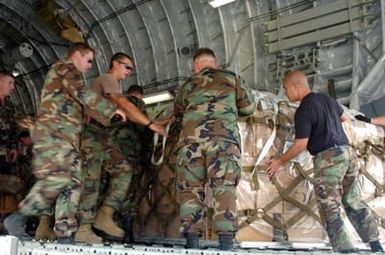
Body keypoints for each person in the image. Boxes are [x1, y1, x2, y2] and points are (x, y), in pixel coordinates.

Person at [4, 42, 126, 244]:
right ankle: (18, 218)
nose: (89, 66)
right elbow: (82, 92)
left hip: (67, 140)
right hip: (55, 136)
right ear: (77, 55)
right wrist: (111, 110)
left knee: (73, 184)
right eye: (88, 61)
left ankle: (65, 234)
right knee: (58, 178)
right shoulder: (65, 67)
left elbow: (72, 102)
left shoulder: (64, 78)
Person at [267, 70, 383, 253]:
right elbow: (346, 120)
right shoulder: (327, 100)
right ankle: (375, 244)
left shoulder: (303, 110)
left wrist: (279, 161)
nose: (285, 92)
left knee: (329, 205)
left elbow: (300, 145)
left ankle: (345, 250)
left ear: (296, 87)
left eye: (285, 88)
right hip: (347, 153)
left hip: (328, 158)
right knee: (354, 201)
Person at [75, 53, 166, 244]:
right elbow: (123, 103)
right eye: (127, 67)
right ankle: (83, 228)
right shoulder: (107, 79)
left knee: (124, 170)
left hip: (105, 138)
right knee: (91, 183)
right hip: (92, 136)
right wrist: (151, 124)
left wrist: (161, 122)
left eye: (130, 69)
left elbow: (133, 116)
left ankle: (104, 214)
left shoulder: (116, 88)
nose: (128, 72)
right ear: (115, 63)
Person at [174, 48, 255, 250]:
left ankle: (192, 242)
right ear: (215, 64)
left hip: (190, 145)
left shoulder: (187, 84)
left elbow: (178, 112)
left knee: (190, 190)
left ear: (196, 66)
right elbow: (248, 108)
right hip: (223, 142)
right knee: (223, 187)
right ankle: (226, 244)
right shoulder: (232, 78)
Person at [0, 71, 18, 175]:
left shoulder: (8, 106)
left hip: (5, 156)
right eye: (10, 83)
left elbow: (13, 127)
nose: (13, 87)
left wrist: (13, 147)